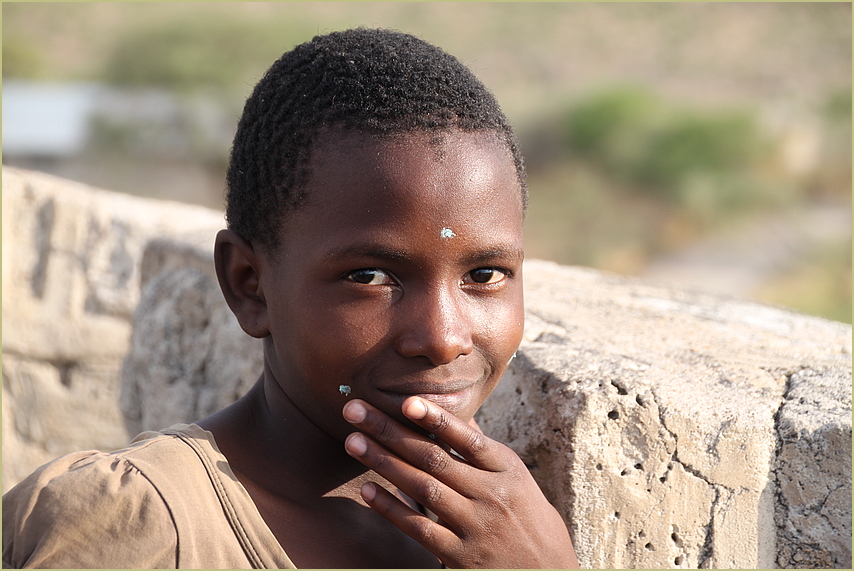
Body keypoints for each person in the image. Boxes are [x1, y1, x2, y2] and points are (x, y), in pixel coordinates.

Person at [3, 28, 578, 569]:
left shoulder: (499, 536)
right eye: (372, 277)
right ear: (249, 285)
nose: (444, 336)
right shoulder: (141, 525)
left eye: (484, 273)